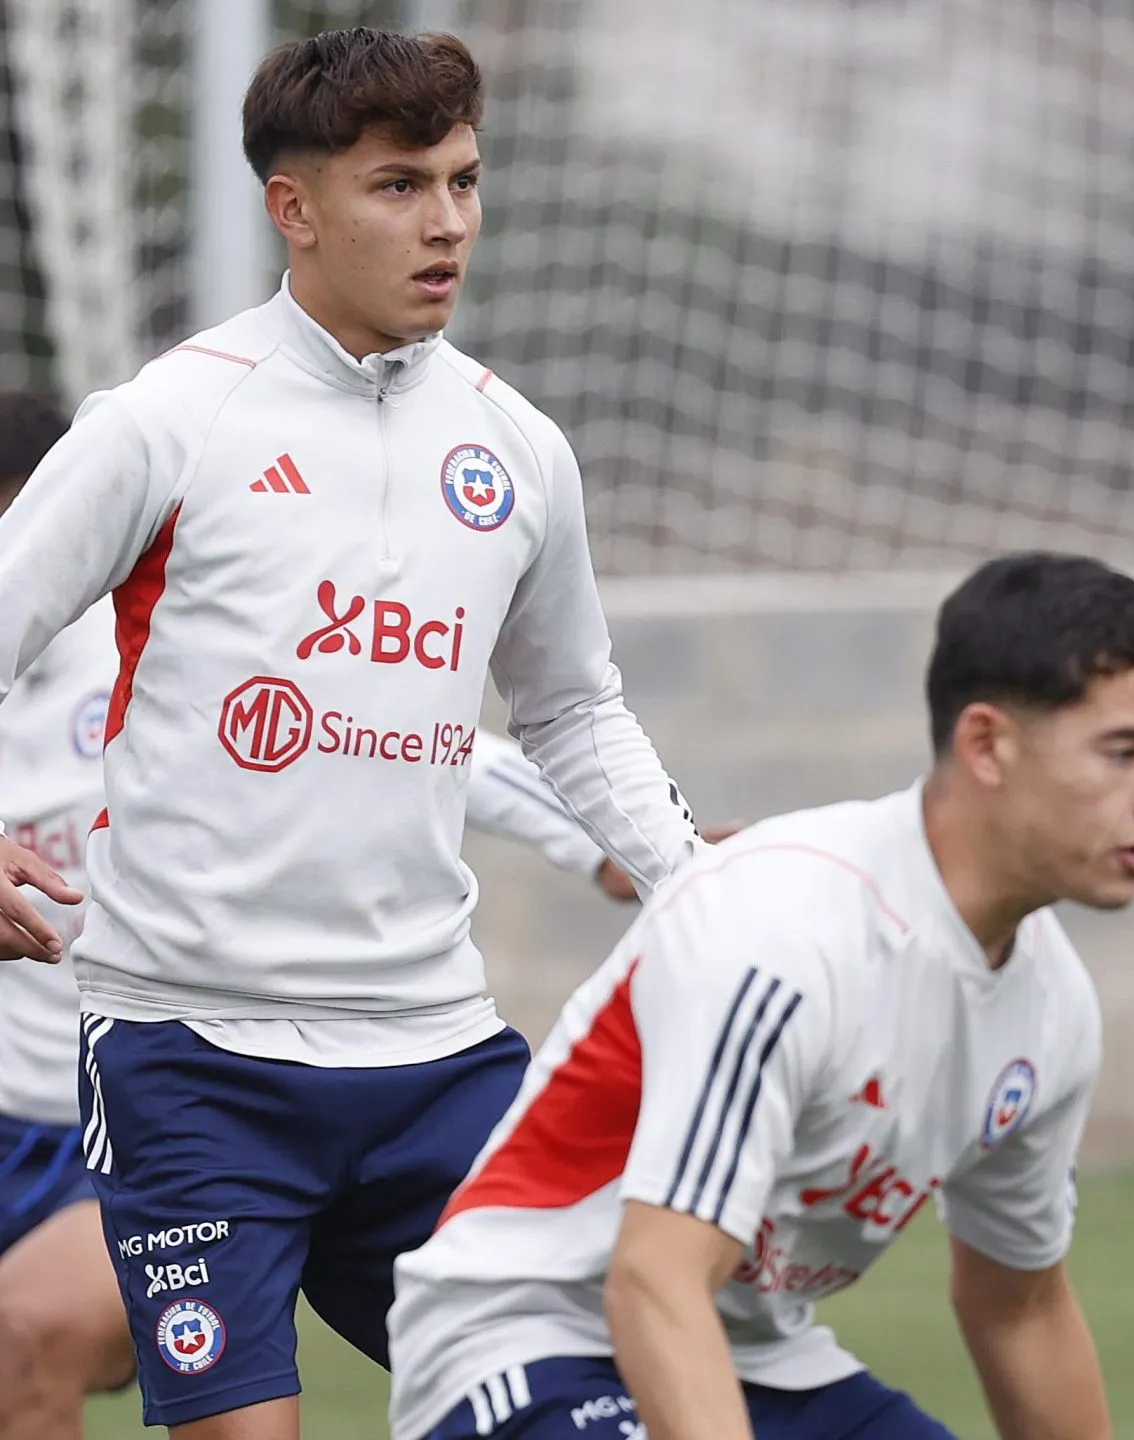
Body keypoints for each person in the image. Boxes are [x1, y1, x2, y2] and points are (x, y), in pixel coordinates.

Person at [0, 31, 703, 1438]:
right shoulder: (166, 424)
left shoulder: (518, 451)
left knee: (595, 1408)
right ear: (295, 208)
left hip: (435, 1056)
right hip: (195, 1058)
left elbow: (569, 707)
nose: (448, 223)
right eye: (399, 186)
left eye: (464, 180)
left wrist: (698, 885)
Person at [386, 553, 1134, 1440]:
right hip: (531, 1342)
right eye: (1125, 753)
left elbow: (1022, 1309)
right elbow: (655, 1283)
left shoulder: (1052, 1008)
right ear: (986, 744)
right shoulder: (781, 927)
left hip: (769, 1364)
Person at [0, 392, 645, 1439]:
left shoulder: (149, 650)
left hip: (114, 1132)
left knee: (23, 1335)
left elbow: (405, 730)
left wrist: (606, 844)